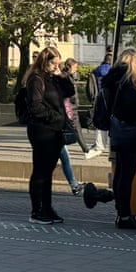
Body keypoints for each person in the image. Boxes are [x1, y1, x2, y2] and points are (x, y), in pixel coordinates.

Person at [100, 49, 136, 230]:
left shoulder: (116, 81)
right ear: (131, 64)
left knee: (121, 173)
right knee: (126, 175)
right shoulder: (129, 84)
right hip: (129, 133)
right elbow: (132, 111)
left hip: (119, 133)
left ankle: (122, 213)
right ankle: (125, 215)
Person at [22, 45, 70, 224]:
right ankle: (37, 210)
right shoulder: (36, 79)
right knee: (41, 171)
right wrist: (54, 116)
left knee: (48, 171)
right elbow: (34, 106)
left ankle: (47, 208)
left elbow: (70, 92)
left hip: (55, 129)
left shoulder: (53, 78)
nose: (55, 67)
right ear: (45, 61)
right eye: (53, 64)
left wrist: (61, 76)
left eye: (58, 64)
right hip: (42, 129)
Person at [54, 61, 84, 196]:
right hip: (54, 129)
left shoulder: (59, 83)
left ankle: (74, 185)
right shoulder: (55, 83)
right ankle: (74, 185)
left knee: (63, 158)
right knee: (62, 159)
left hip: (56, 128)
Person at [87, 49, 113, 155]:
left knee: (101, 122)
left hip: (99, 97)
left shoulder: (97, 70)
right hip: (109, 98)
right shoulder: (112, 71)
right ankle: (107, 145)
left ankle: (99, 144)